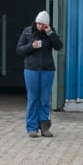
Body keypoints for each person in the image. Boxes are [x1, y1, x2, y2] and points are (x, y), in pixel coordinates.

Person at [15, 10, 63, 138]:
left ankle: (44, 126)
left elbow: (59, 46)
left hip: (47, 70)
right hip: (31, 69)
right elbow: (19, 50)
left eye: (43, 24)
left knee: (44, 99)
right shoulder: (27, 32)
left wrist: (50, 32)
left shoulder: (50, 32)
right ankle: (32, 128)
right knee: (33, 98)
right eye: (39, 24)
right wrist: (31, 46)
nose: (40, 26)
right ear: (35, 22)